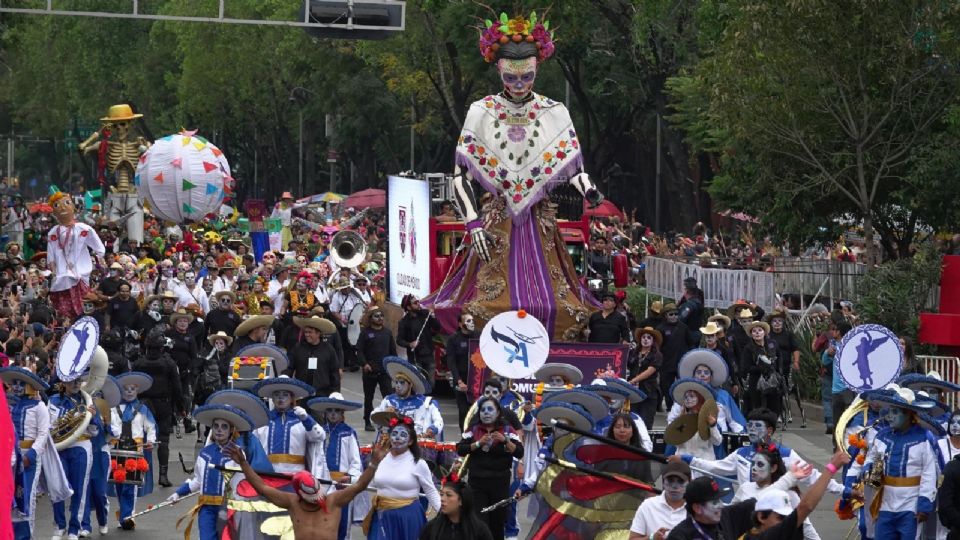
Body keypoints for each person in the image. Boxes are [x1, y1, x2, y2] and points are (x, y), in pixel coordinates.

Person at [225, 435, 385, 540]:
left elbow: (359, 485)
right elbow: (261, 487)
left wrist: (374, 463)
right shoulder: (291, 502)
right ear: (300, 494)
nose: (317, 501)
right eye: (311, 499)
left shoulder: (334, 500)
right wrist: (243, 463)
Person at [842, 386, 939, 540]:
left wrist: (924, 504)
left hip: (911, 506)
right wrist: (869, 473)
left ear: (908, 414)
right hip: (884, 503)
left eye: (895, 412)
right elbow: (872, 461)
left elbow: (929, 474)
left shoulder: (924, 439)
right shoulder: (882, 437)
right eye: (889, 411)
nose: (890, 416)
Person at [166, 403, 273, 540]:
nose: (219, 430)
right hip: (206, 510)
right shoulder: (204, 454)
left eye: (224, 427)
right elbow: (198, 481)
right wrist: (178, 493)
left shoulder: (237, 454)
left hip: (228, 509)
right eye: (216, 426)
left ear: (231, 430)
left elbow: (242, 484)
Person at [3, 366, 69, 540]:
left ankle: (27, 535)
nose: (16, 387)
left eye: (21, 383)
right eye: (15, 383)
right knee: (10, 498)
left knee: (27, 497)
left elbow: (43, 434)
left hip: (30, 457)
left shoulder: (39, 406)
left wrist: (31, 455)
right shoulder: (11, 404)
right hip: (11, 457)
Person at [739, 451, 851, 540]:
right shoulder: (745, 489)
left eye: (786, 517)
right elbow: (806, 507)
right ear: (761, 517)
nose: (787, 522)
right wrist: (831, 469)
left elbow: (805, 524)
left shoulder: (789, 495)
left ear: (773, 468)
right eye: (780, 517)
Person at [456, 396, 524, 540]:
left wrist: (505, 440)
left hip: (500, 484)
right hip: (477, 484)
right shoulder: (473, 429)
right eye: (483, 410)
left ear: (498, 412)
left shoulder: (507, 428)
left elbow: (519, 452)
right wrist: (478, 444)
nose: (486, 413)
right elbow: (460, 449)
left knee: (497, 524)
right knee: (480, 524)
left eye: (490, 409)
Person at [364, 416, 441, 540]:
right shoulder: (381, 458)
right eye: (394, 433)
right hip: (381, 515)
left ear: (410, 441)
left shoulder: (418, 463)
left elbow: (430, 491)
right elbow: (371, 483)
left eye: (403, 434)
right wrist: (348, 480)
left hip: (407, 518)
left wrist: (444, 512)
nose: (398, 437)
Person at [50, 375, 107, 540]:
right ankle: (59, 526)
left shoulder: (87, 400)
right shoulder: (54, 400)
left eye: (78, 380)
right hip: (60, 447)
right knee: (57, 486)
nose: (75, 384)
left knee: (80, 488)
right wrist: (73, 418)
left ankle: (74, 528)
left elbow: (96, 431)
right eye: (71, 380)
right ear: (63, 382)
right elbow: (51, 425)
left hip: (81, 446)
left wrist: (92, 417)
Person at [132, 325, 184, 488]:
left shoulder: (138, 363)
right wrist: (181, 407)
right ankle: (163, 475)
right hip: (163, 404)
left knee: (139, 439)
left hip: (142, 404)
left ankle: (138, 473)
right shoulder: (168, 363)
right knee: (163, 440)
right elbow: (177, 387)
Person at [309, 392, 366, 540]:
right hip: (322, 484)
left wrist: (350, 478)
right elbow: (314, 457)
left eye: (337, 411)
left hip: (342, 486)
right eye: (330, 410)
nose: (333, 414)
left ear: (342, 412)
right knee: (321, 521)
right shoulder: (320, 432)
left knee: (342, 523)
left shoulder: (348, 433)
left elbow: (356, 462)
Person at [731, 448, 820, 540]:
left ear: (773, 468)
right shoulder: (745, 487)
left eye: (760, 464)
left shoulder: (789, 494)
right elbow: (730, 515)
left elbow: (805, 526)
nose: (754, 468)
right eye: (753, 463)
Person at [109, 371, 157, 530]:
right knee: (119, 484)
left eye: (132, 388)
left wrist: (150, 440)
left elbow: (150, 426)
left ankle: (128, 516)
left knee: (131, 484)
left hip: (135, 451)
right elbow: (110, 426)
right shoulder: (114, 408)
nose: (129, 391)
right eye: (126, 388)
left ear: (137, 390)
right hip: (117, 450)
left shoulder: (143, 408)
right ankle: (124, 514)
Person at [663, 475, 755, 540]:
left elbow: (757, 504)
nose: (721, 505)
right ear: (697, 508)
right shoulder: (680, 536)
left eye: (720, 500)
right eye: (715, 502)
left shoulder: (726, 516)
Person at [373, 357, 444, 439]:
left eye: (402, 383)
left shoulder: (427, 403)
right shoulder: (388, 400)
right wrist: (384, 413)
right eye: (396, 382)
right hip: (393, 446)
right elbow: (373, 417)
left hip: (419, 446)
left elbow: (439, 422)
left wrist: (431, 431)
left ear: (411, 385)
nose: (398, 386)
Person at [356, 305, 398, 431]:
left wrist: (394, 367)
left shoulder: (387, 332)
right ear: (370, 318)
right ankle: (367, 421)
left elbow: (393, 351)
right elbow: (359, 350)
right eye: (376, 316)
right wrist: (364, 364)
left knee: (389, 397)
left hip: (384, 371)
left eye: (381, 316)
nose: (380, 318)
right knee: (369, 398)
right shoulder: (365, 333)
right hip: (370, 371)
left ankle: (392, 421)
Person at [628, 461, 692, 540]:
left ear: (689, 483)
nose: (674, 486)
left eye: (680, 481)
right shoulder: (648, 505)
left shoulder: (696, 509)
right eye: (670, 480)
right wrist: (652, 538)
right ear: (663, 482)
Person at [419, 476, 495, 540]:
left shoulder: (479, 530)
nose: (442, 499)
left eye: (449, 495)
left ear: (461, 500)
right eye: (441, 494)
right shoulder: (431, 528)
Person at [286, 315, 341, 397]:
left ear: (318, 333)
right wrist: (285, 379)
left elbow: (334, 373)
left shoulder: (328, 349)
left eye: (310, 332)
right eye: (306, 332)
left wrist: (335, 392)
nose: (307, 335)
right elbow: (290, 367)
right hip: (302, 393)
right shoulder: (298, 348)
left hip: (322, 394)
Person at [397, 294, 442, 386]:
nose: (418, 304)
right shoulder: (404, 322)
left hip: (428, 354)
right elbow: (399, 340)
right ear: (409, 307)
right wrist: (410, 344)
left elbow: (438, 327)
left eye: (418, 301)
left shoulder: (425, 314)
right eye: (415, 303)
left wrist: (432, 315)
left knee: (431, 383)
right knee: (418, 383)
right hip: (415, 357)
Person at [657, 303, 696, 410]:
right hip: (666, 363)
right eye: (671, 314)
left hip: (682, 363)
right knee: (666, 387)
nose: (674, 316)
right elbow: (657, 347)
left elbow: (691, 343)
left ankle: (684, 407)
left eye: (676, 314)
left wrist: (690, 356)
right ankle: (670, 407)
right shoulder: (660, 328)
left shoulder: (684, 327)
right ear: (665, 315)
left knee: (683, 386)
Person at [741, 318, 781, 417]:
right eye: (754, 331)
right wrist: (761, 367)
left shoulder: (772, 344)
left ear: (764, 332)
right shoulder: (748, 348)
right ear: (751, 334)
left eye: (759, 330)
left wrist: (778, 370)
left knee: (773, 407)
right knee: (758, 408)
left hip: (772, 380)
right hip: (756, 382)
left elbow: (779, 358)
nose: (757, 333)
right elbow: (745, 368)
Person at [445, 312, 477, 430]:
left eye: (472, 320)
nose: (471, 323)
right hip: (461, 380)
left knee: (476, 409)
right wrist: (458, 381)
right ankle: (464, 435)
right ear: (460, 324)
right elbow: (451, 361)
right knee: (463, 410)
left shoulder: (478, 335)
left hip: (476, 380)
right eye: (468, 321)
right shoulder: (453, 339)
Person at [630, 327, 663, 430]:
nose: (645, 339)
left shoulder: (657, 355)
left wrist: (634, 380)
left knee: (645, 423)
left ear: (653, 341)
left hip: (649, 392)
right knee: (632, 422)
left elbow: (650, 371)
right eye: (643, 337)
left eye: (649, 337)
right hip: (633, 392)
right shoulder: (633, 353)